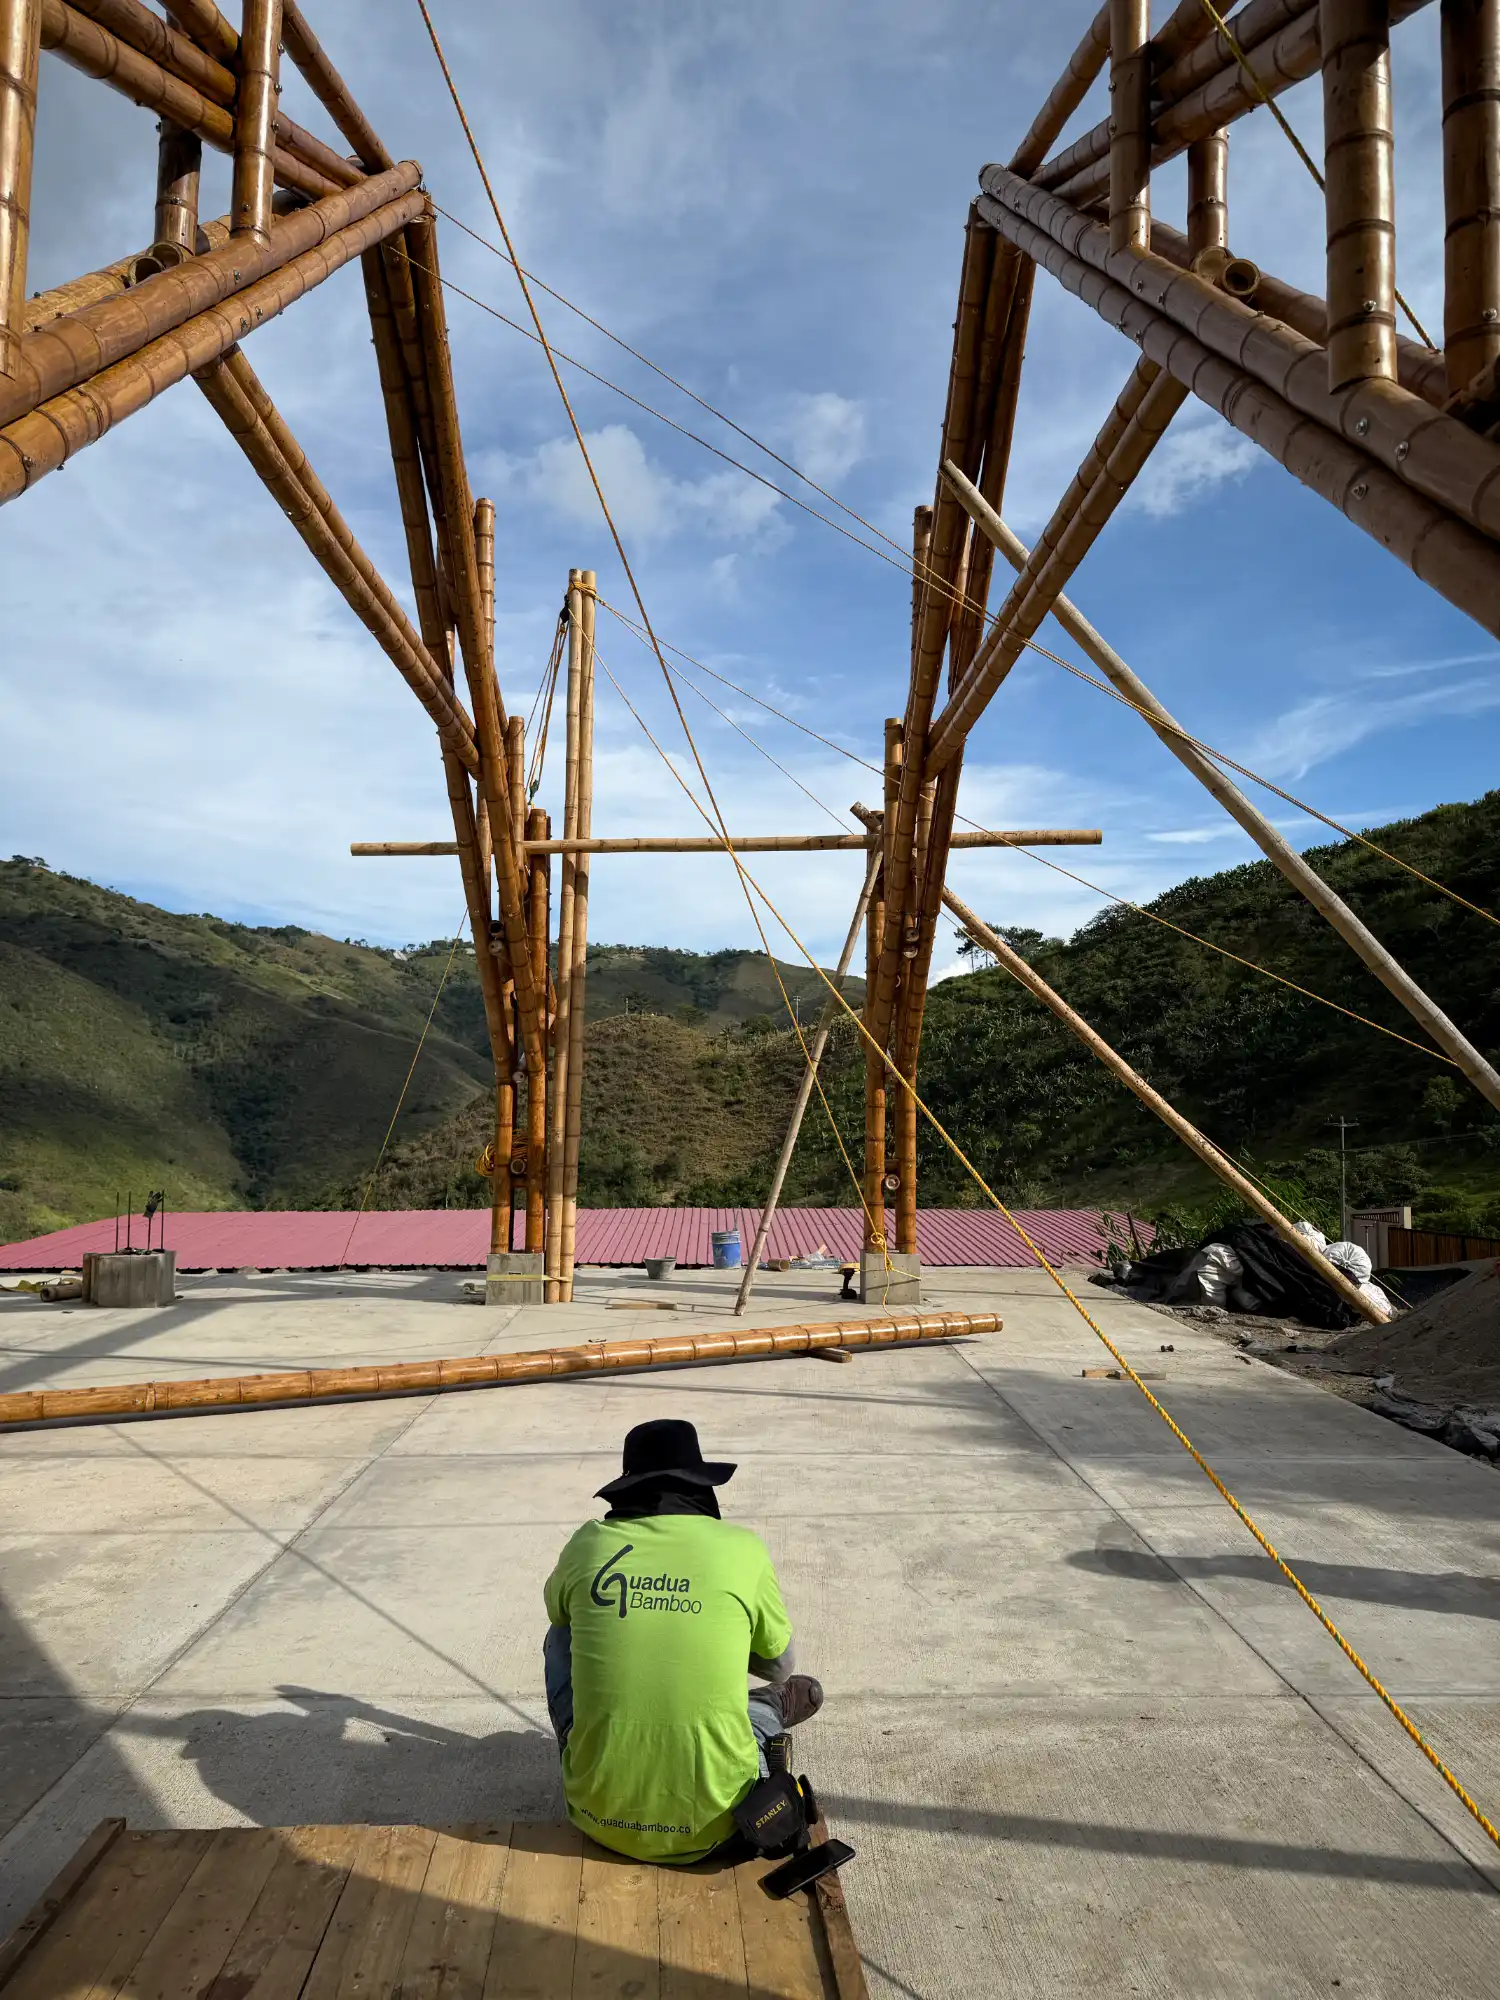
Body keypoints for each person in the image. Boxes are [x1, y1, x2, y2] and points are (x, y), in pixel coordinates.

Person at [542, 1417, 823, 1864]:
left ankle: (593, 1753)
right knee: (759, 1699)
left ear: (628, 1488)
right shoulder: (742, 1549)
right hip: (721, 1828)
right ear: (700, 1485)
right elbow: (779, 1665)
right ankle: (766, 1710)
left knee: (562, 1632)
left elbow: (557, 1614)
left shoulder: (588, 1544)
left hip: (596, 1817)